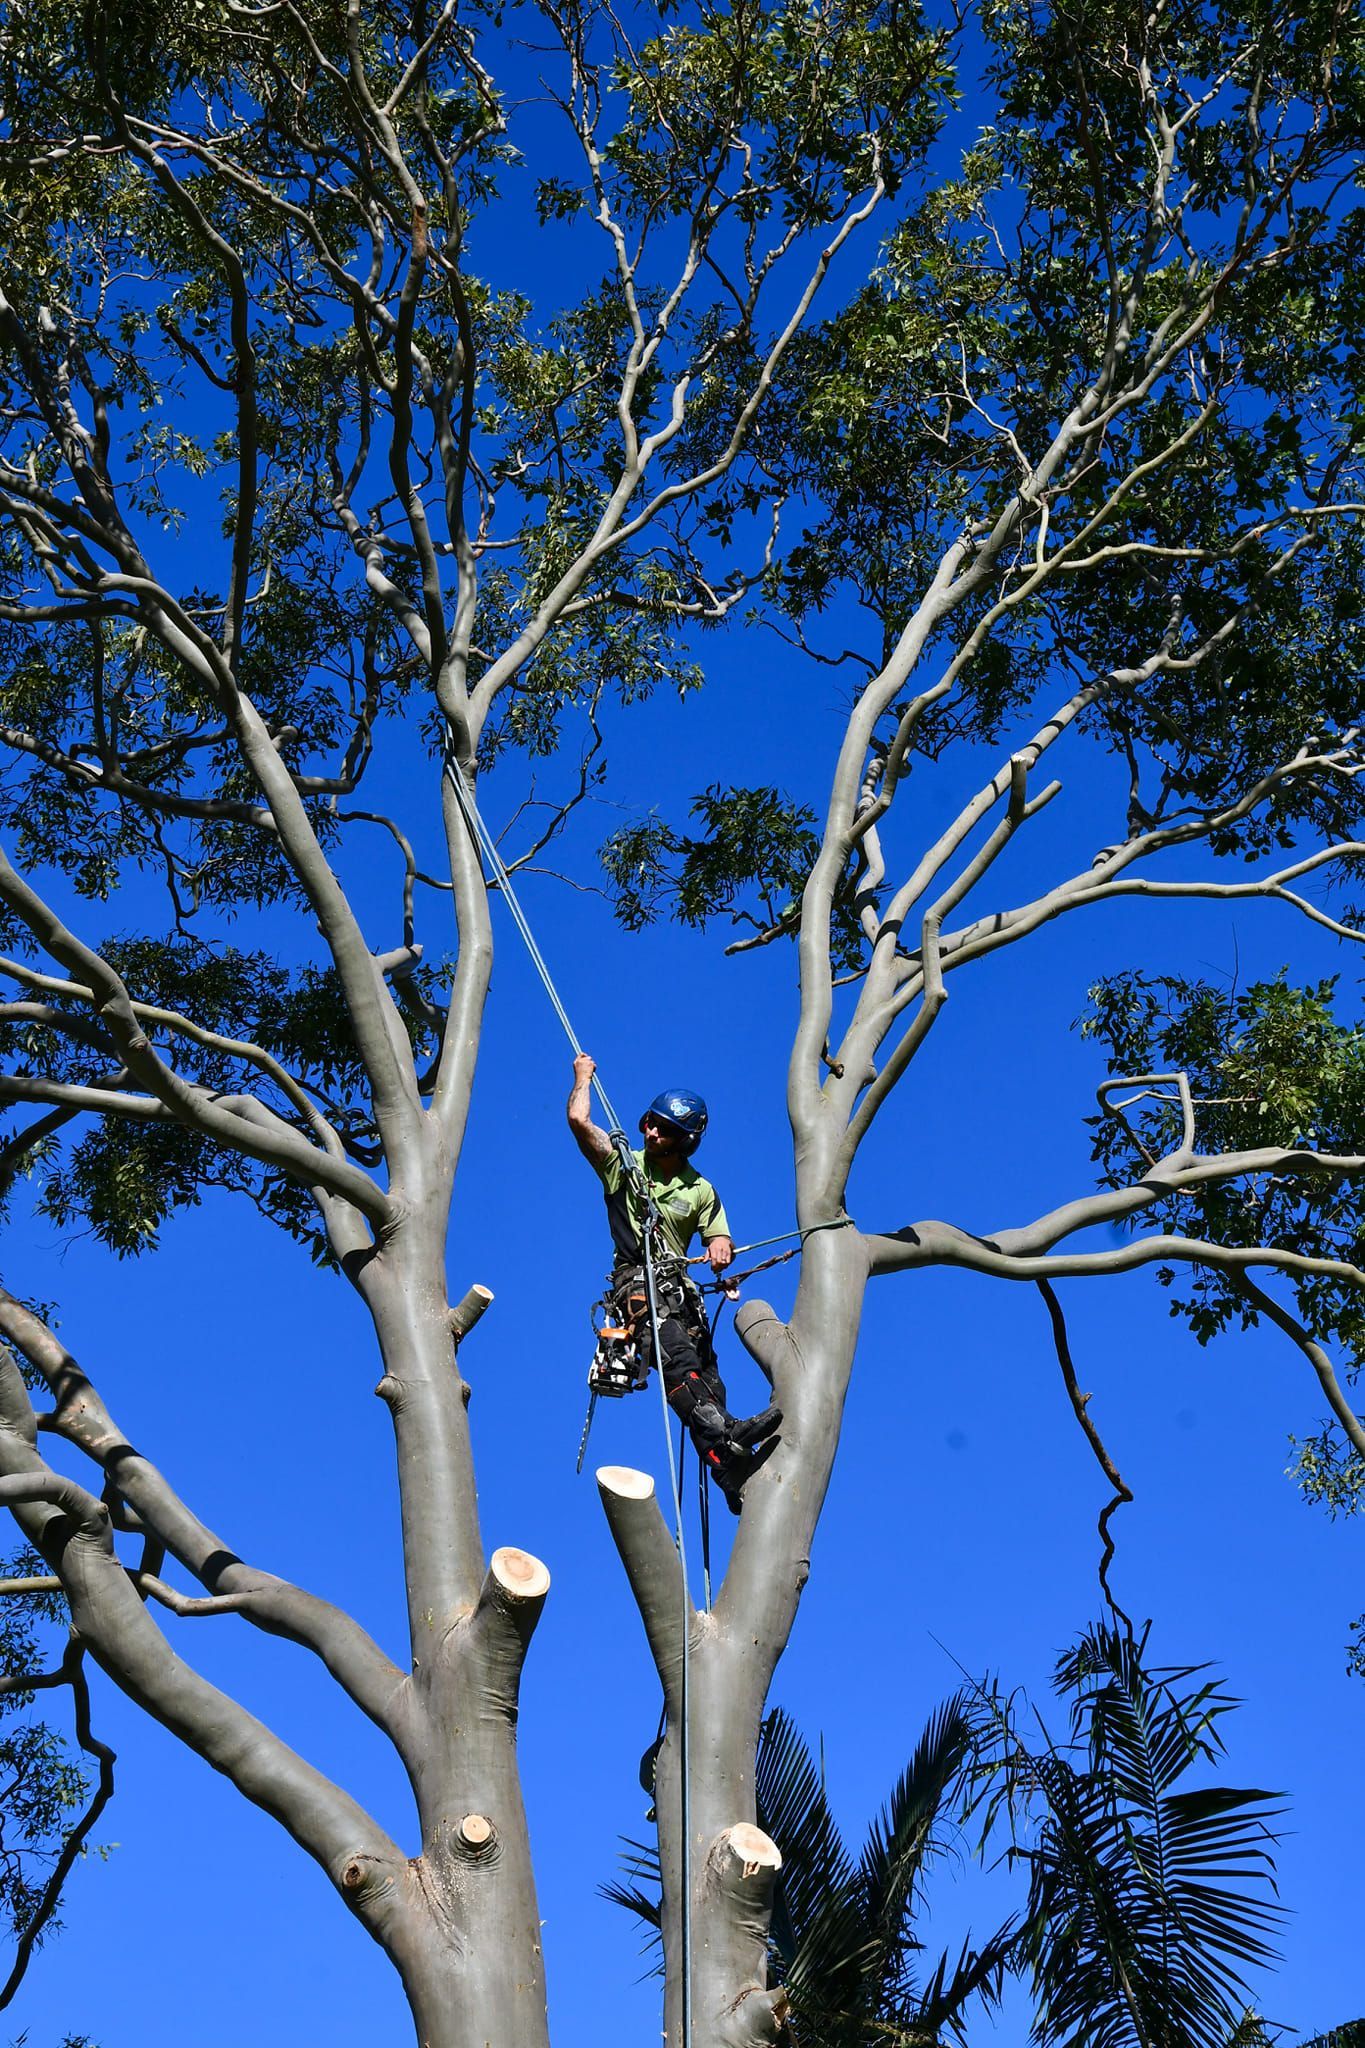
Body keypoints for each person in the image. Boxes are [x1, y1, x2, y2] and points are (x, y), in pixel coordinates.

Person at [567, 1052, 782, 1512]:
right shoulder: (624, 1167)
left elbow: (718, 1235)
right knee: (677, 1362)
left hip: (682, 1294)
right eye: (649, 1122)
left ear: (684, 1141)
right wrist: (582, 1078)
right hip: (638, 1285)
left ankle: (725, 1469)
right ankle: (726, 1440)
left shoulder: (699, 1189)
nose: (650, 1132)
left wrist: (721, 1250)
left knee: (710, 1380)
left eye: (662, 1129)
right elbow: (579, 1120)